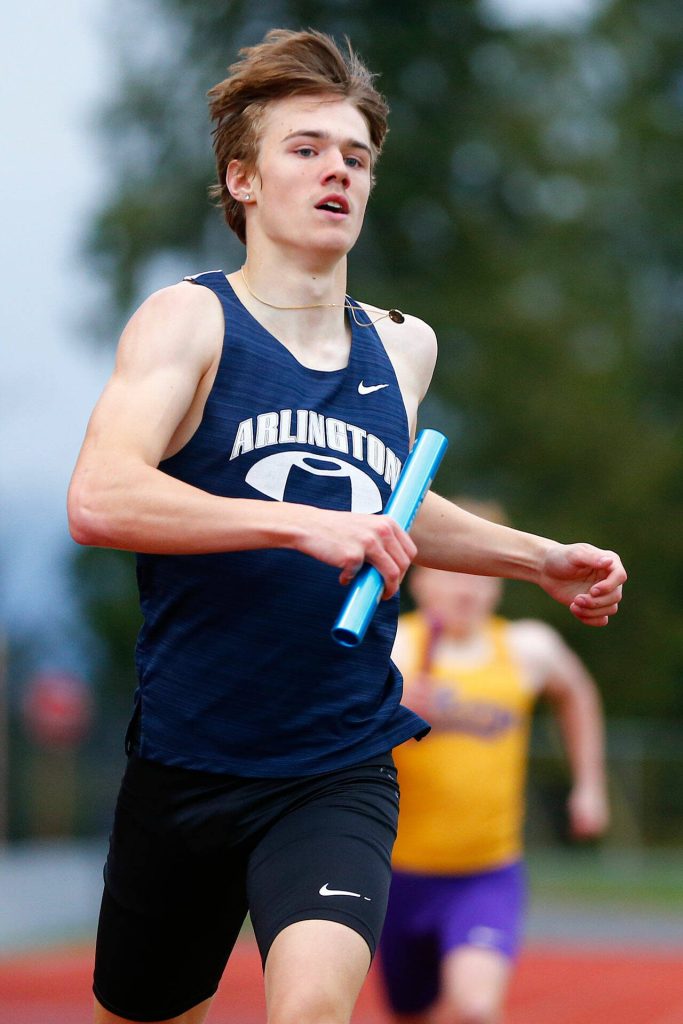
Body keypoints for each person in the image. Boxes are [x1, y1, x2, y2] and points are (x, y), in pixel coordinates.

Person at [67, 28, 626, 1024]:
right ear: (240, 179)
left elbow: (393, 508)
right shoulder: (189, 321)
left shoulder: (403, 348)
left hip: (335, 762)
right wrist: (298, 525)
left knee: (312, 1012)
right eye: (305, 148)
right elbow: (102, 496)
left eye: (356, 156)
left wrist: (534, 558)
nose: (338, 170)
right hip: (188, 762)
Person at [378, 499, 610, 1024]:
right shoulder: (390, 648)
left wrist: (589, 785)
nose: (466, 588)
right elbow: (323, 720)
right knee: (410, 1012)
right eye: (453, 574)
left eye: (479, 576)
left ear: (499, 582)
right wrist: (386, 704)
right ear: (420, 578)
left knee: (475, 1009)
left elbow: (577, 693)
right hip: (393, 873)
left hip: (485, 873)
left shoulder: (529, 648)